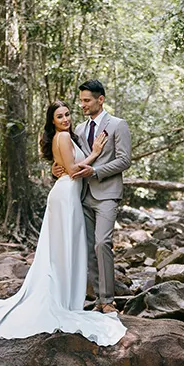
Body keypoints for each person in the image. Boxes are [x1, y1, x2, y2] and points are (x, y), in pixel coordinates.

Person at [0, 100, 127, 346]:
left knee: (65, 249)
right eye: (60, 116)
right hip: (66, 196)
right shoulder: (64, 138)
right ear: (52, 121)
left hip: (68, 194)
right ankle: (60, 301)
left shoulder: (68, 135)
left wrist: (65, 166)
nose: (66, 119)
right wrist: (96, 153)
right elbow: (72, 169)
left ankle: (67, 298)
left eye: (68, 114)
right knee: (62, 249)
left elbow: (63, 166)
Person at [57, 80, 131, 313]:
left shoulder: (118, 125)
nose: (82, 105)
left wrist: (96, 171)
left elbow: (124, 160)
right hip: (82, 194)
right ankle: (99, 301)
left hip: (108, 193)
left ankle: (109, 300)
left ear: (101, 99)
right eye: (81, 101)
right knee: (89, 249)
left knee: (102, 243)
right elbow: (72, 159)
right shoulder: (78, 129)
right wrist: (57, 168)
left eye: (86, 100)